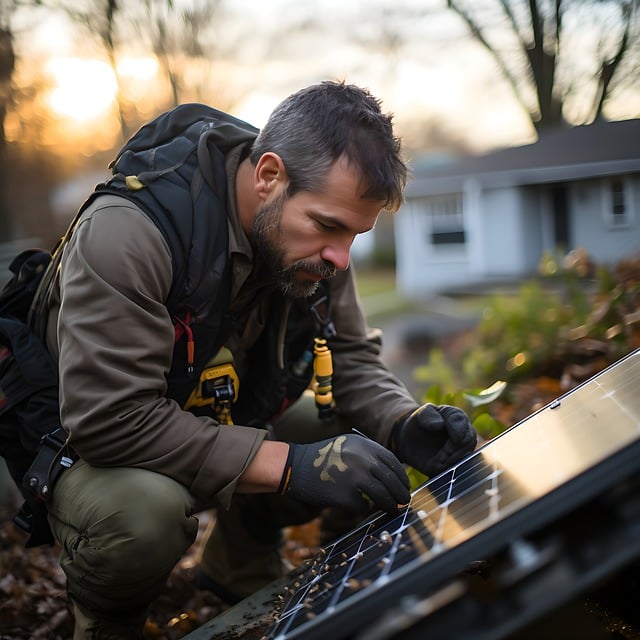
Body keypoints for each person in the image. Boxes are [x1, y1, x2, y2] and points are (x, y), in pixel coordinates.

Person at [36, 80, 477, 639]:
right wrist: (292, 466)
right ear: (269, 176)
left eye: (356, 235)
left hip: (218, 422)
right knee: (144, 518)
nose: (342, 258)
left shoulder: (318, 243)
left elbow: (351, 359)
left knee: (355, 434)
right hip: (93, 453)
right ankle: (107, 625)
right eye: (328, 227)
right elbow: (110, 419)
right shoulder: (129, 232)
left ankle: (236, 569)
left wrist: (402, 421)